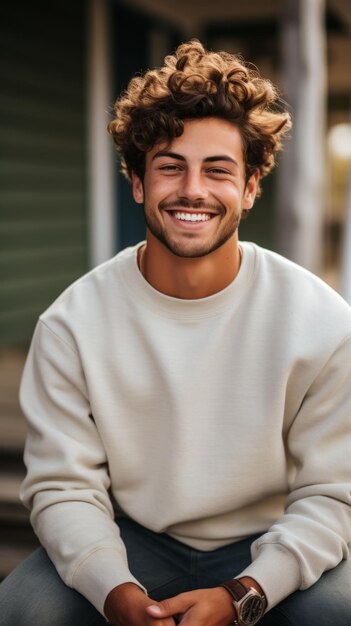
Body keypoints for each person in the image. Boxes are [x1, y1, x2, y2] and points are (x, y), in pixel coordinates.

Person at [0, 40, 350, 626]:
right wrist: (114, 591)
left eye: (218, 169)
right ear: (137, 183)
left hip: (270, 537)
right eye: (170, 167)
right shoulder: (71, 325)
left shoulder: (321, 320)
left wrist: (244, 594)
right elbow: (63, 489)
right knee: (26, 608)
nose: (193, 189)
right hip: (132, 538)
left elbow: (334, 493)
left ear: (250, 187)